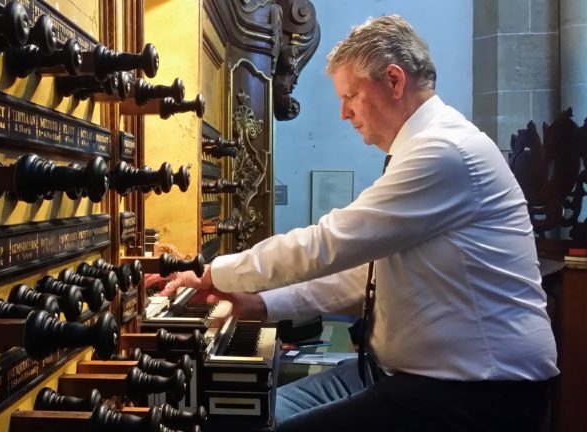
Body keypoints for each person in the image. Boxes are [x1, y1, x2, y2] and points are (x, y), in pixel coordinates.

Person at [158, 15, 559, 432]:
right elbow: (366, 276)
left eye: (350, 95)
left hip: (478, 393)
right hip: (404, 375)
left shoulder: (444, 150)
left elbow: (330, 242)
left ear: (394, 80)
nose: (344, 113)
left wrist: (211, 273)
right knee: (253, 416)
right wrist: (262, 304)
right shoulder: (422, 149)